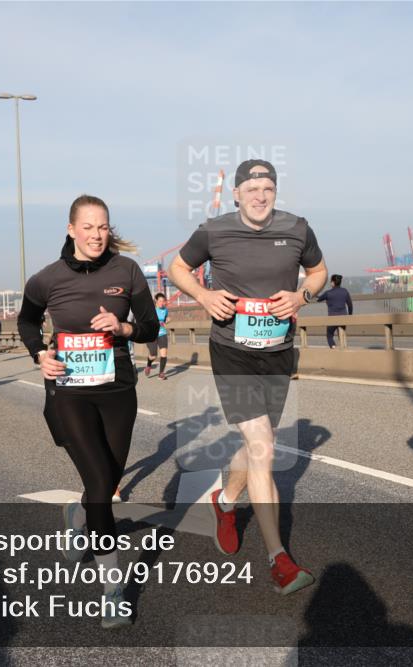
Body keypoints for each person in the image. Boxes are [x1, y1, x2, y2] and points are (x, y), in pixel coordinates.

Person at [168, 159, 327, 595]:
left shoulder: (298, 229)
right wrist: (203, 295)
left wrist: (301, 296)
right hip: (232, 351)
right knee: (263, 446)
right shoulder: (213, 231)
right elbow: (177, 268)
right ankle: (279, 560)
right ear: (236, 194)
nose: (260, 196)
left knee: (259, 444)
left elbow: (319, 272)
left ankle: (225, 501)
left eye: (268, 189)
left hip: (277, 352)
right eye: (252, 189)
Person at [18, 194, 159, 628]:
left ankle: (78, 515)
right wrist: (40, 353)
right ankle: (112, 590)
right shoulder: (47, 279)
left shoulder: (126, 271)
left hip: (117, 387)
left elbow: (151, 326)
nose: (97, 235)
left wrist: (123, 327)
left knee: (108, 481)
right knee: (100, 484)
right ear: (71, 229)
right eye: (88, 227)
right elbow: (26, 321)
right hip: (69, 391)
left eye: (103, 227)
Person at [317, 274, 353, 348]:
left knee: (329, 335)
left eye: (331, 281)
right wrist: (350, 316)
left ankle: (333, 347)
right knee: (341, 334)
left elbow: (319, 299)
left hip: (332, 318)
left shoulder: (328, 293)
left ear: (333, 283)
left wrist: (315, 294)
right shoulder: (345, 291)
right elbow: (350, 305)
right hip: (343, 317)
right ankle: (344, 348)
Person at [144, 293, 170, 379]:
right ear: (156, 301)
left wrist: (167, 320)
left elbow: (165, 319)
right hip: (151, 334)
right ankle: (149, 365)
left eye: (163, 301)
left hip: (162, 333)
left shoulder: (165, 310)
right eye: (160, 301)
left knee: (164, 354)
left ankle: (161, 374)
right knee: (153, 355)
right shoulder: (151, 310)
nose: (162, 303)